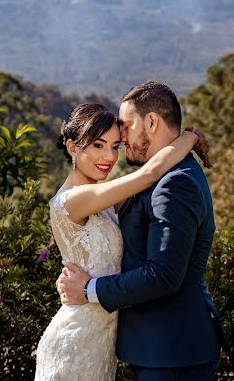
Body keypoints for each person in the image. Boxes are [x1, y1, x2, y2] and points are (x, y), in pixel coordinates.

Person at [57, 81, 225, 381]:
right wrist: (189, 137)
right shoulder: (152, 180)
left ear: (151, 122)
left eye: (125, 127)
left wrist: (87, 289)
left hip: (170, 349)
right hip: (146, 346)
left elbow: (162, 275)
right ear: (72, 148)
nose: (121, 139)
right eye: (99, 144)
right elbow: (148, 174)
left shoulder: (174, 184)